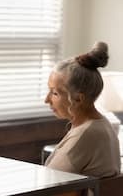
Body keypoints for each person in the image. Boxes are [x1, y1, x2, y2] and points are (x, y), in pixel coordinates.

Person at [44, 41, 120, 178]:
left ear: (79, 99)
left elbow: (49, 184)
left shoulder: (85, 135)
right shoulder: (102, 125)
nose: (46, 100)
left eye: (54, 93)